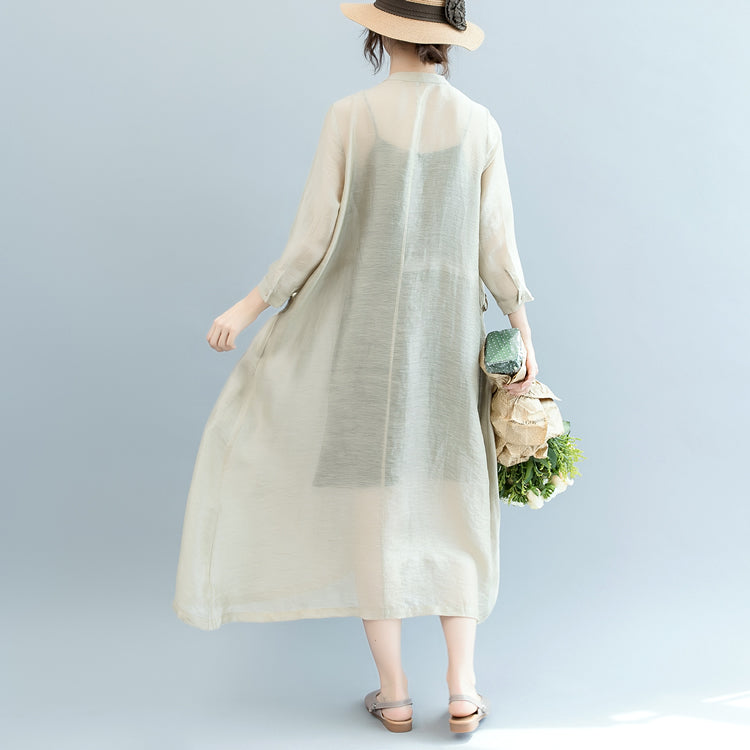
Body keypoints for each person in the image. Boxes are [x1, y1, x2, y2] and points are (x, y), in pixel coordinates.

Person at [172, 0, 538, 736]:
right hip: (446, 349)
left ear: (379, 32)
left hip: (363, 349)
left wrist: (249, 307)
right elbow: (497, 249)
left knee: (373, 512)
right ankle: (462, 690)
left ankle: (394, 695)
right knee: (456, 505)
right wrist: (525, 339)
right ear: (444, 41)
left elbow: (311, 238)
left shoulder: (350, 116)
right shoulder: (479, 125)